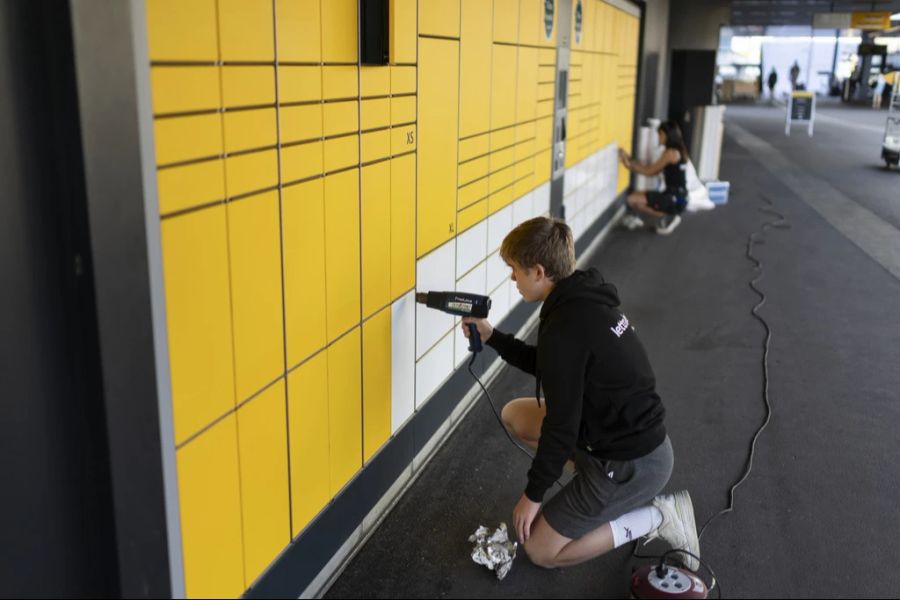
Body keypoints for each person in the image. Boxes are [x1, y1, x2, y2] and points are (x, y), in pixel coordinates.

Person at [461, 217, 700, 571]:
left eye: (515, 270)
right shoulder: (581, 298)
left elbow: (561, 426)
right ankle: (591, 489)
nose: (512, 278)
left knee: (541, 552)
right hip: (614, 434)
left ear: (539, 271)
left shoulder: (566, 327)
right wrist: (492, 335)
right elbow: (549, 365)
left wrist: (533, 495)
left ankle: (658, 517)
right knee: (516, 415)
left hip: (632, 462)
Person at [618, 121, 689, 235]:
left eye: (659, 135)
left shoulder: (670, 153)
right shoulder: (679, 150)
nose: (658, 138)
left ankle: (669, 215)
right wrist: (629, 159)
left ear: (665, 134)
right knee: (636, 196)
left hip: (673, 199)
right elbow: (652, 171)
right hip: (679, 197)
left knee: (631, 199)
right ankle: (667, 214)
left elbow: (649, 171)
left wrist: (628, 165)